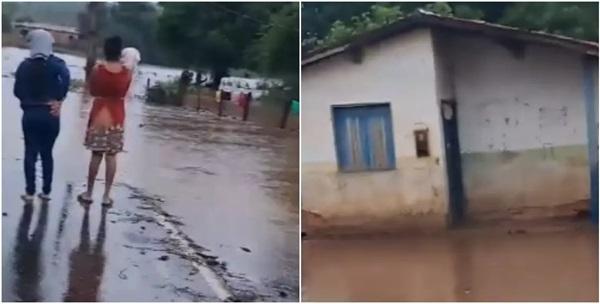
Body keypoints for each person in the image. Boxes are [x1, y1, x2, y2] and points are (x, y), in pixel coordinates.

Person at [13, 29, 70, 202]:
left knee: (30, 152)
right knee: (47, 153)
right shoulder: (58, 64)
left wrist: (27, 100)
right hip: (51, 115)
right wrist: (59, 99)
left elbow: (17, 91)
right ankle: (46, 192)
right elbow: (66, 78)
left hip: (30, 114)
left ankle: (30, 192)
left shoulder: (24, 66)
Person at [78, 36, 131, 206]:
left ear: (105, 50)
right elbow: (125, 92)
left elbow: (92, 91)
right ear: (119, 52)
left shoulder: (98, 70)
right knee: (111, 155)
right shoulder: (126, 72)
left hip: (99, 113)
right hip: (117, 115)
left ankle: (89, 193)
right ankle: (106, 195)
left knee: (96, 154)